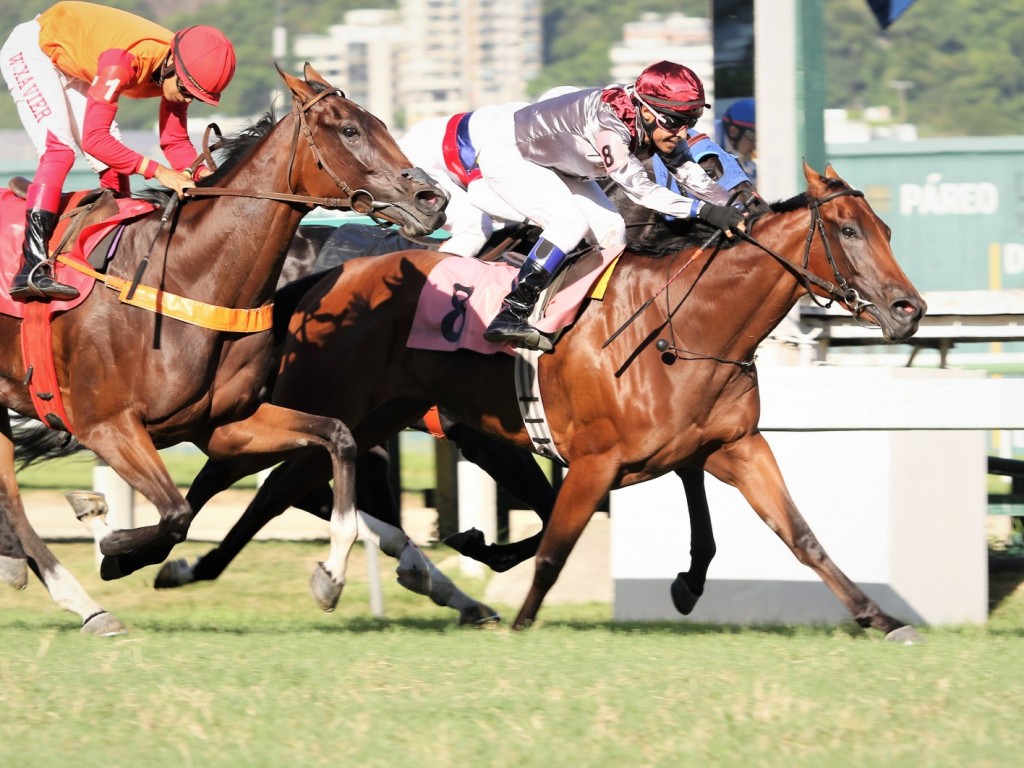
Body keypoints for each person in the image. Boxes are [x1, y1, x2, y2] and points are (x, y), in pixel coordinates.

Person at [474, 60, 748, 351]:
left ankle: (583, 316)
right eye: (673, 122)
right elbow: (641, 190)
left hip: (562, 166)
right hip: (512, 157)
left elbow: (691, 175)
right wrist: (703, 211)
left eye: (688, 123)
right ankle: (512, 310)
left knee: (612, 231)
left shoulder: (659, 121)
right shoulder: (609, 125)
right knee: (570, 223)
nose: (681, 133)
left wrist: (734, 208)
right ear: (645, 110)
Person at [0, 2, 236, 301]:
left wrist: (206, 177)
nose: (187, 99)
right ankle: (30, 268)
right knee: (60, 151)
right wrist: (160, 173)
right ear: (171, 65)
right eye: (188, 90)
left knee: (112, 166)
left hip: (78, 61)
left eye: (197, 97)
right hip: (36, 50)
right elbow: (95, 140)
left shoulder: (178, 71)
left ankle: (110, 255)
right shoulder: (124, 61)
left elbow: (174, 142)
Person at [399, 104, 529, 258]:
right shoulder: (520, 138)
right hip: (417, 164)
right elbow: (480, 195)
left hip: (433, 145)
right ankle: (436, 279)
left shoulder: (530, 117)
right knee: (475, 229)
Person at [717, 98, 757, 186]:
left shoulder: (744, 148)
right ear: (733, 131)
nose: (756, 145)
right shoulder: (709, 137)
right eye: (753, 136)